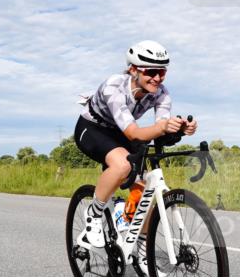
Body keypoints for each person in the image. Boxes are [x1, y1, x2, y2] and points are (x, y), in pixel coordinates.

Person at [74, 40, 196, 262]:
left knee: (145, 192)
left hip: (122, 132)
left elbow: (159, 129)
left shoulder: (161, 93)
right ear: (133, 69)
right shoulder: (114, 86)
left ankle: (141, 251)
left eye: (162, 72)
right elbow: (134, 134)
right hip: (93, 129)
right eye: (151, 71)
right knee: (122, 165)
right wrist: (161, 127)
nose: (157, 78)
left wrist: (178, 130)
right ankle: (93, 214)